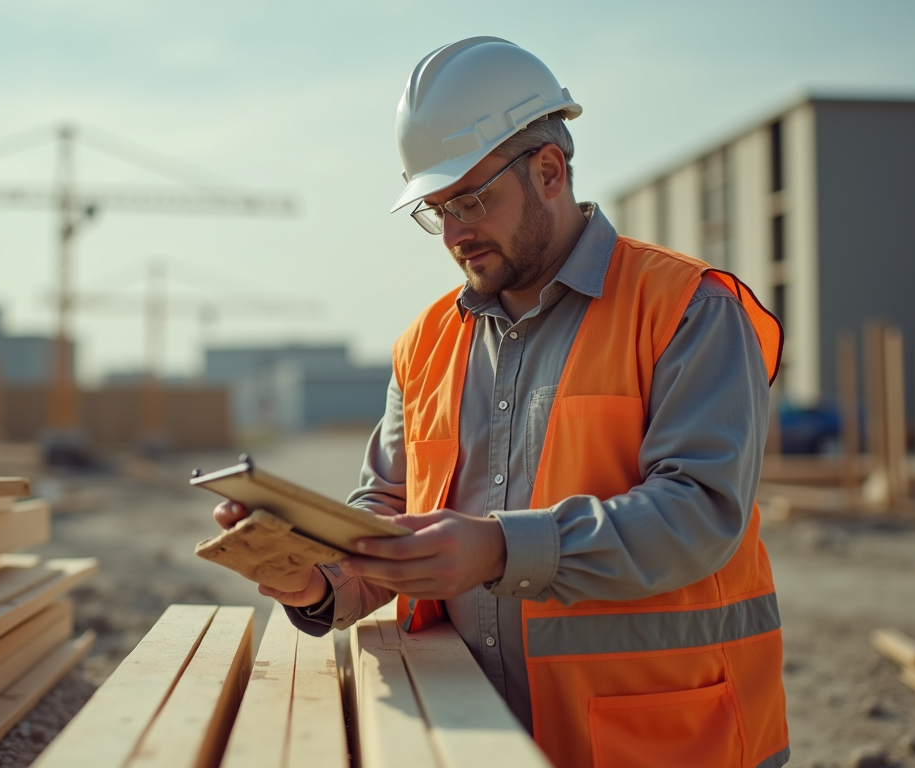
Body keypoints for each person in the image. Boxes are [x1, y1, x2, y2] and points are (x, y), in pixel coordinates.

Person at [213, 37, 789, 768]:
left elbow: (701, 513)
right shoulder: (424, 343)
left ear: (550, 171)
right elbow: (388, 512)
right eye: (436, 210)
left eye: (471, 200)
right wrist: (321, 579)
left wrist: (499, 549)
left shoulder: (686, 308)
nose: (453, 234)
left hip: (664, 742)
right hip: (471, 738)